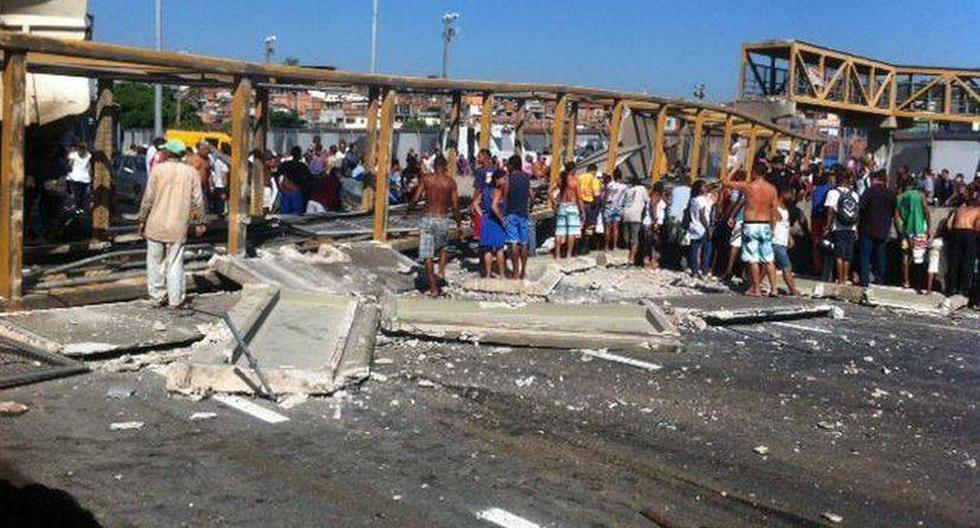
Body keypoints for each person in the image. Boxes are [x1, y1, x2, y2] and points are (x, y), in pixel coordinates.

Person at [138, 139, 206, 308]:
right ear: (182, 154)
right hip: (178, 225)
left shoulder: (157, 170)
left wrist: (142, 219)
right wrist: (200, 221)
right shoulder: (191, 173)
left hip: (156, 223)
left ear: (167, 153)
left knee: (155, 262)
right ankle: (175, 299)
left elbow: (148, 199)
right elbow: (198, 200)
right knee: (175, 262)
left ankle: (157, 295)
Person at [722, 161, 780, 297]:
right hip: (765, 224)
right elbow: (774, 210)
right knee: (768, 258)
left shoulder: (749, 186)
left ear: (754, 172)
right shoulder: (772, 189)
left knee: (753, 258)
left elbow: (725, 182)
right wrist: (772, 228)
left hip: (751, 224)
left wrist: (734, 168)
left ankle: (756, 288)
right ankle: (774, 289)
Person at [411, 154, 459, 296]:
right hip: (443, 219)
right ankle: (441, 272)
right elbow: (455, 206)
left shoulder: (427, 179)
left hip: (428, 218)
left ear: (433, 166)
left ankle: (433, 288)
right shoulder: (450, 182)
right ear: (445, 166)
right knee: (443, 247)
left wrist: (409, 211)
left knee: (427, 255)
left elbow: (416, 198)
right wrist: (458, 223)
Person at [858, 170, 896, 287]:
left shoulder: (869, 191)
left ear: (875, 179)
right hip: (883, 229)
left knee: (865, 256)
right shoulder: (890, 193)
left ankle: (864, 281)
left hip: (868, 228)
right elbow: (893, 211)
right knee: (881, 255)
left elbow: (861, 207)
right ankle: (880, 280)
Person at [823, 172, 859, 285]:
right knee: (848, 256)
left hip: (838, 227)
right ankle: (845, 277)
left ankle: (840, 279)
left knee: (839, 254)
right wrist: (856, 228)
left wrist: (828, 227)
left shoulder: (832, 193)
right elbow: (857, 212)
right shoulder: (854, 194)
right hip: (851, 228)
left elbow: (830, 211)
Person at [895, 174, 931, 290]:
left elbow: (896, 217)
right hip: (919, 229)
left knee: (905, 255)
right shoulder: (920, 195)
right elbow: (926, 211)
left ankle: (906, 281)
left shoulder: (899, 197)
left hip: (906, 230)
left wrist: (900, 231)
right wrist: (929, 228)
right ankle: (918, 284)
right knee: (919, 257)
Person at [500, 155, 533, 279]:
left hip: (511, 213)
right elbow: (531, 195)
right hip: (524, 214)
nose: (507, 167)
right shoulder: (526, 178)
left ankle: (515, 272)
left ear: (512, 166)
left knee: (513, 242)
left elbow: (505, 195)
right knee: (524, 243)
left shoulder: (509, 179)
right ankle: (523, 271)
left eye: (508, 165)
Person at [945, 198, 979, 297]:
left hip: (956, 232)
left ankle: (951, 289)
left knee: (954, 261)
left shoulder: (958, 210)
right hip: (969, 233)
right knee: (968, 262)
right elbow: (977, 226)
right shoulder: (977, 210)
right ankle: (963, 290)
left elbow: (949, 224)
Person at [475, 168, 506, 278]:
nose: (505, 181)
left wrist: (481, 215)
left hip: (486, 221)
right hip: (495, 222)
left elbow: (475, 204)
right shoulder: (497, 191)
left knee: (487, 249)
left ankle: (488, 275)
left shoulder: (485, 190)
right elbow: (494, 206)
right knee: (499, 248)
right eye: (503, 179)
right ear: (497, 179)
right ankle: (502, 274)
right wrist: (502, 219)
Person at [773, 186, 802, 296]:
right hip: (777, 241)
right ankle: (793, 289)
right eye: (790, 194)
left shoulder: (785, 209)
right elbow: (773, 224)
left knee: (769, 266)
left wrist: (789, 238)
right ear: (783, 194)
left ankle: (755, 286)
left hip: (782, 241)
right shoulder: (775, 208)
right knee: (787, 267)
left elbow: (786, 225)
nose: (792, 197)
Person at [550, 161, 583, 259]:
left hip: (562, 206)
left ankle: (558, 255)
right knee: (571, 231)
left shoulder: (561, 179)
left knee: (559, 231)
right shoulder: (575, 180)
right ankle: (569, 254)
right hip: (572, 206)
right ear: (573, 169)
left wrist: (554, 202)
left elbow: (549, 191)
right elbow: (579, 198)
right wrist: (582, 211)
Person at [685, 180, 712, 278]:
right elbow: (702, 215)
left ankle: (695, 271)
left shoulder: (693, 200)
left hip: (694, 227)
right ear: (700, 189)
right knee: (707, 250)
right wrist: (708, 228)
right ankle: (704, 271)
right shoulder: (702, 200)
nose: (706, 187)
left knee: (694, 250)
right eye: (704, 186)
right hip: (702, 228)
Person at [621, 175, 649, 266]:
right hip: (636, 216)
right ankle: (632, 258)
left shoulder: (628, 190)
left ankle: (627, 256)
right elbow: (647, 201)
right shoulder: (642, 189)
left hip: (626, 215)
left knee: (627, 238)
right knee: (635, 238)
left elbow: (624, 203)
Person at [808, 170, 832, 276]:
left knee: (815, 243)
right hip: (824, 218)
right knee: (826, 243)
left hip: (815, 218)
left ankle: (816, 268)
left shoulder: (816, 190)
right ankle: (824, 269)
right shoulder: (830, 190)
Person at [577, 163, 603, 253]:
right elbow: (596, 194)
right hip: (590, 204)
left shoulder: (579, 178)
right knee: (590, 226)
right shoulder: (594, 179)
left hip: (579, 204)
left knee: (581, 224)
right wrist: (597, 204)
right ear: (594, 171)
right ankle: (586, 245)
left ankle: (578, 245)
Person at [276, 146, 310, 215]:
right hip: (297, 192)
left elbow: (277, 176)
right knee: (297, 216)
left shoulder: (285, 164)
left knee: (285, 215)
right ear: (300, 154)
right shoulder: (303, 166)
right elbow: (308, 180)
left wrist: (280, 188)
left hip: (286, 191)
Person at [601, 168, 627, 251]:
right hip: (618, 208)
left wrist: (603, 204)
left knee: (607, 228)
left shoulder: (610, 185)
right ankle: (615, 246)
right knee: (616, 228)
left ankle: (606, 246)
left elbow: (606, 196)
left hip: (609, 207)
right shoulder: (624, 186)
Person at [645, 181, 667, 269]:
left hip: (650, 221)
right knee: (655, 243)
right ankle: (653, 261)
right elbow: (653, 206)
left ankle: (648, 260)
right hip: (654, 222)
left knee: (650, 243)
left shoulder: (653, 195)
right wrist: (655, 220)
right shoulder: (656, 195)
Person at [66, 143, 92, 210]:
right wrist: (91, 176)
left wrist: (68, 173)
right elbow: (89, 167)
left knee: (77, 193)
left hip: (75, 177)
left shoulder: (73, 155)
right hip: (85, 178)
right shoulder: (89, 156)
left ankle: (77, 207)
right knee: (82, 193)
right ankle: (80, 207)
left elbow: (69, 165)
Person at [210, 144, 230, 217]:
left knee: (217, 201)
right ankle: (221, 216)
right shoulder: (224, 164)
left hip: (216, 184)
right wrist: (225, 187)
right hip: (221, 185)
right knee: (222, 202)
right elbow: (224, 176)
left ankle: (217, 215)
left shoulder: (216, 161)